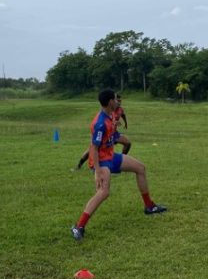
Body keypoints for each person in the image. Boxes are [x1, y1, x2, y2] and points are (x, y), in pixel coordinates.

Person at [71, 89, 166, 241]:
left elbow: (113, 136)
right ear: (110, 102)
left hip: (111, 156)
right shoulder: (100, 123)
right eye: (116, 99)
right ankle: (79, 226)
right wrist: (97, 171)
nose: (118, 101)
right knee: (104, 192)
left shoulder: (111, 116)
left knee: (140, 168)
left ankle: (149, 207)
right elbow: (94, 148)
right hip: (101, 160)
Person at [74, 94, 131, 170]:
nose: (119, 102)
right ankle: (79, 165)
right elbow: (103, 120)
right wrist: (114, 123)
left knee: (127, 143)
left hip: (114, 133)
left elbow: (123, 115)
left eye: (120, 101)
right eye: (117, 100)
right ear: (112, 101)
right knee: (91, 150)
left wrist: (125, 123)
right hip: (105, 134)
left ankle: (121, 162)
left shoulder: (120, 109)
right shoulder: (109, 110)